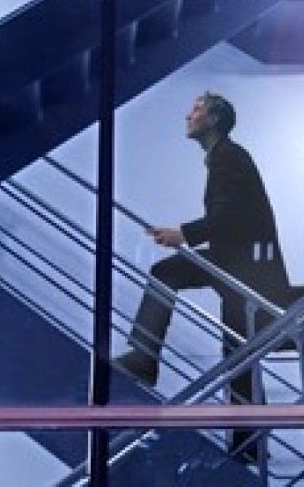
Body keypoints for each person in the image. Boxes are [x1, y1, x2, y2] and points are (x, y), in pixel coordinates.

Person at [113, 91, 291, 462]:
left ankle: (145, 358)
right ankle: (249, 446)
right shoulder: (222, 158)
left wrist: (185, 234)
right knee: (239, 354)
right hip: (240, 263)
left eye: (195, 110)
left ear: (213, 120)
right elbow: (235, 219)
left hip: (246, 267)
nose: (188, 116)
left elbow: (233, 218)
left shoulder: (229, 157)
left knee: (168, 274)